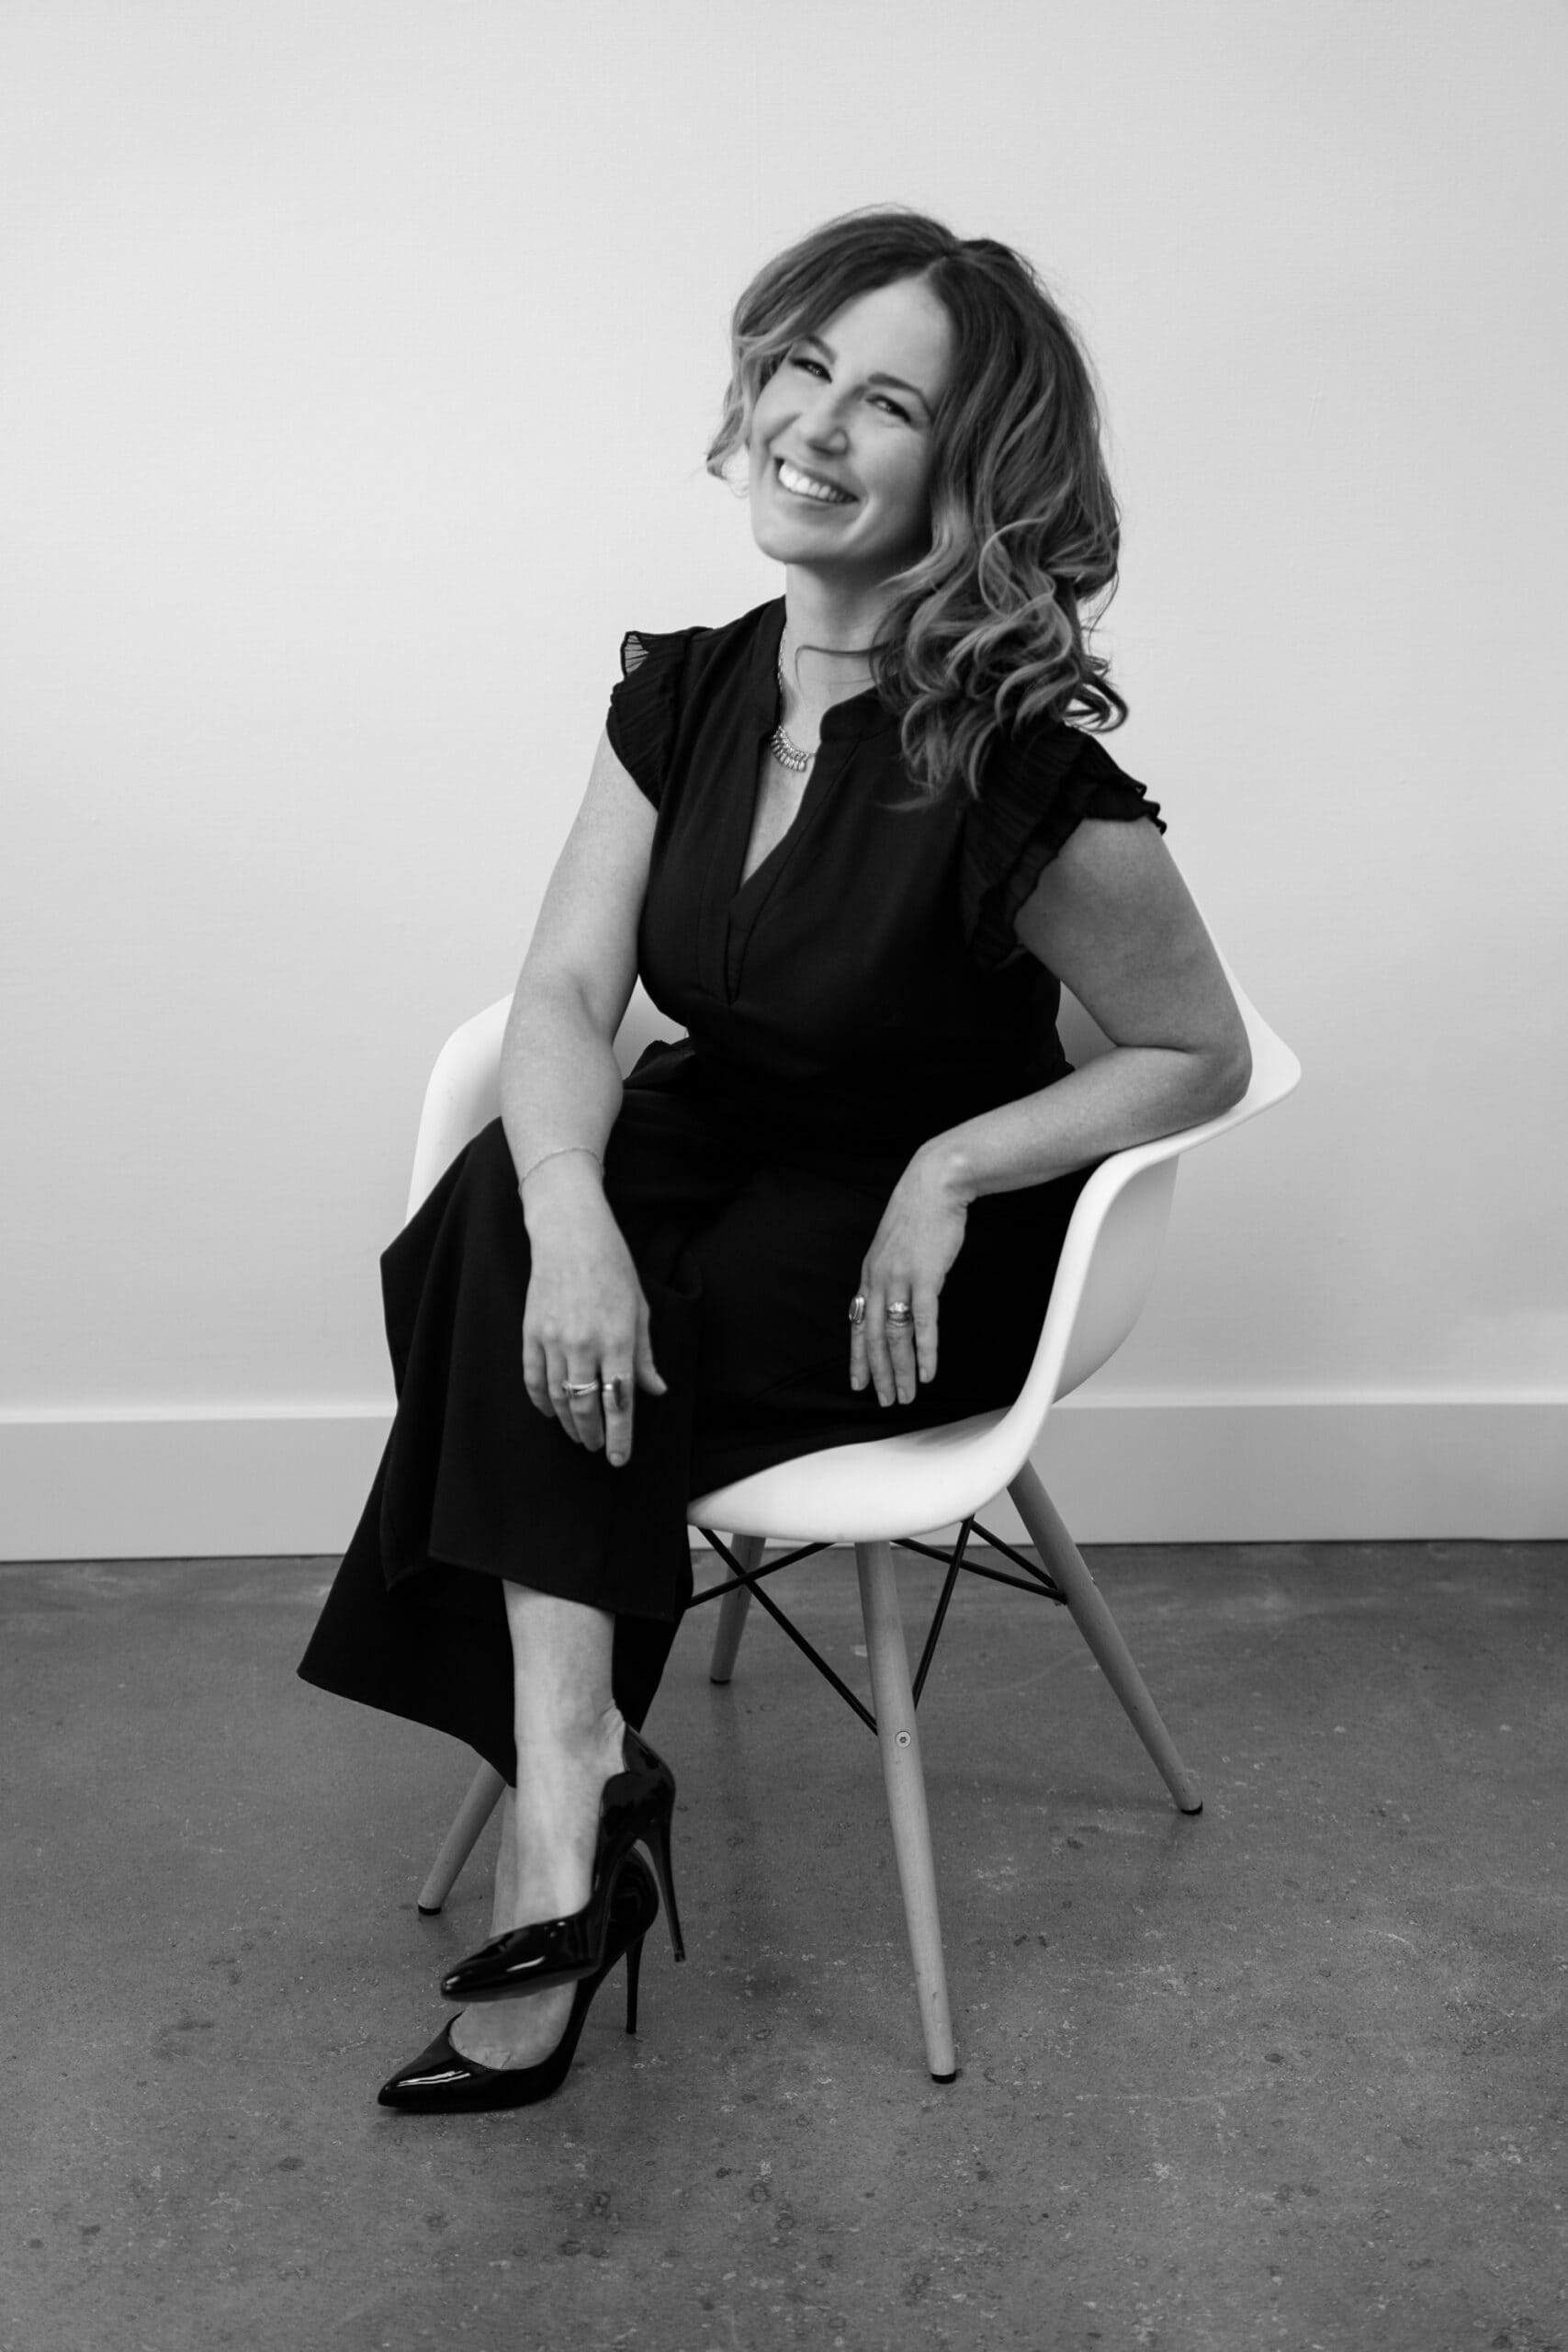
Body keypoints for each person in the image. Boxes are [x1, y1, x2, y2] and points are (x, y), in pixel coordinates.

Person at [298, 206, 1252, 2111]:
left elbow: (1196, 1048)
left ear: (965, 475)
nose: (813, 421)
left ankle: (562, 1835)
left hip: (905, 1239)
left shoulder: (1024, 771)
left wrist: (957, 1167)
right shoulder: (686, 690)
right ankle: (578, 1777)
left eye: (883, 400)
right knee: (494, 1224)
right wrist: (571, 1209)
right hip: (713, 1137)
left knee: (543, 1332)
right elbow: (567, 988)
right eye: (803, 366)